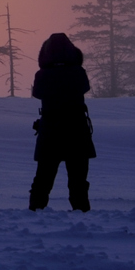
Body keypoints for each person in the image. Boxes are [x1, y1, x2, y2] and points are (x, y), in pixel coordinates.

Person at [28, 33, 95, 212]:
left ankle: (35, 212)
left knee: (43, 178)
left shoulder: (42, 75)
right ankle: (82, 214)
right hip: (77, 129)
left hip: (50, 130)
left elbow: (38, 94)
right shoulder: (79, 72)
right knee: (78, 180)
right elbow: (84, 88)